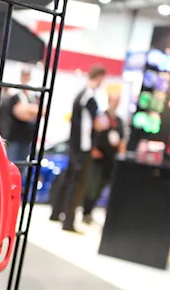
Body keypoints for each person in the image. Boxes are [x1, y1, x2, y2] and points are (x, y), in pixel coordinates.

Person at [49, 65, 107, 233]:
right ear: (99, 77)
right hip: (83, 148)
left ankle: (57, 213)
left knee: (69, 180)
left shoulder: (82, 94)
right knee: (77, 184)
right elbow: (95, 123)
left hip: (76, 146)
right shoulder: (89, 96)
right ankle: (69, 221)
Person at [82, 92, 126, 224]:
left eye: (117, 101)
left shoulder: (119, 121)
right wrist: (93, 148)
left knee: (102, 187)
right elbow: (92, 133)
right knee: (93, 186)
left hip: (111, 160)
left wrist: (121, 155)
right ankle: (86, 212)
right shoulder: (101, 116)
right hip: (98, 158)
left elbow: (122, 140)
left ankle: (90, 212)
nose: (115, 103)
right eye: (113, 100)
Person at [1, 65, 39, 165]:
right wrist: (31, 111)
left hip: (28, 138)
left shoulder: (34, 96)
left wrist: (27, 110)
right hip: (14, 137)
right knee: (12, 164)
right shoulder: (15, 96)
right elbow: (19, 112)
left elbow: (40, 111)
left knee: (24, 165)